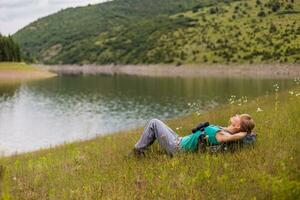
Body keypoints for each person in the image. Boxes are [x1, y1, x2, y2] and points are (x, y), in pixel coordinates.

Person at [132, 114, 255, 157]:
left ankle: (137, 151)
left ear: (238, 126)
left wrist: (242, 134)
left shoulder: (222, 134)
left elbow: (229, 138)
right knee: (158, 125)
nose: (236, 115)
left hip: (178, 148)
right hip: (180, 140)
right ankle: (142, 148)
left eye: (238, 117)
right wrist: (246, 132)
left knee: (154, 122)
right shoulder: (224, 129)